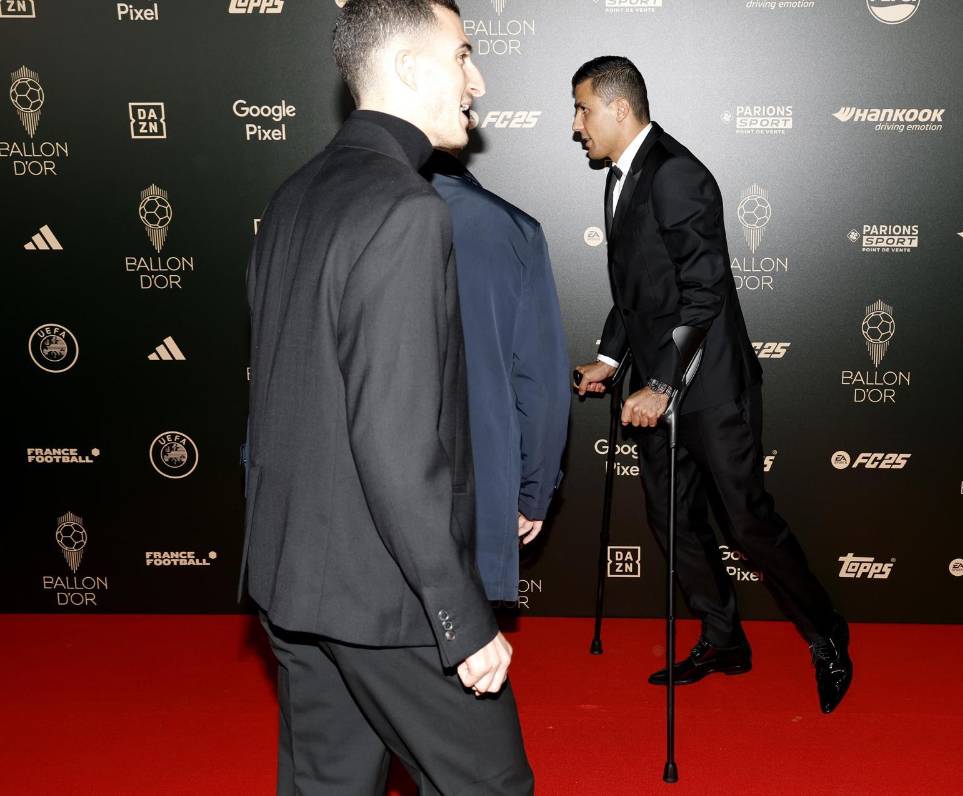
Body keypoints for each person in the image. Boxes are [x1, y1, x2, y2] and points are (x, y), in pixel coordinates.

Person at [241, 1, 532, 793]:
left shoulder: (296, 193)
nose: (477, 79)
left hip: (291, 579)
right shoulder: (407, 211)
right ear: (409, 68)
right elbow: (396, 443)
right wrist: (461, 620)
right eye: (463, 56)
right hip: (386, 600)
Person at [569, 56, 853, 714]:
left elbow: (704, 296)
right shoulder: (624, 176)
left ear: (618, 108)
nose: (575, 124)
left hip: (711, 390)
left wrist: (660, 385)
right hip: (658, 389)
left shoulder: (677, 175)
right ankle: (725, 640)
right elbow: (643, 294)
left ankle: (827, 634)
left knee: (748, 524)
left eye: (582, 109)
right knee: (674, 521)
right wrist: (611, 362)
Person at [422, 143, 569, 601]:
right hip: (476, 479)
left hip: (357, 485)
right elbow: (541, 384)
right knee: (466, 643)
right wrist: (533, 490)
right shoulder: (510, 229)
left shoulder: (337, 209)